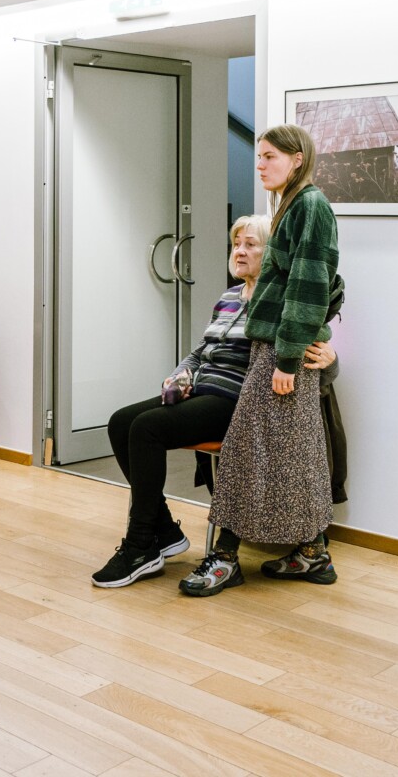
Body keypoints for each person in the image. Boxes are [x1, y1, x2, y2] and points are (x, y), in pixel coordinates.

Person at [92, 214, 338, 588]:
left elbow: (317, 361)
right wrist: (180, 374)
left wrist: (331, 359)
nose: (239, 251)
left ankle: (141, 544)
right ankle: (164, 530)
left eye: (250, 245)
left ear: (272, 253)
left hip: (237, 404)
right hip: (201, 390)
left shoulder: (281, 305)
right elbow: (202, 350)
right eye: (236, 244)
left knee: (146, 428)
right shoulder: (228, 297)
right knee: (121, 421)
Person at [182, 123, 341, 596]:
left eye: (270, 156)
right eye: (260, 156)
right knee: (292, 456)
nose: (260, 164)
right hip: (275, 348)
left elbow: (310, 286)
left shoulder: (309, 204)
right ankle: (313, 553)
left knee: (244, 452)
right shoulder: (293, 204)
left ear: (297, 158)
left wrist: (286, 361)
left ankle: (226, 557)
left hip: (280, 352)